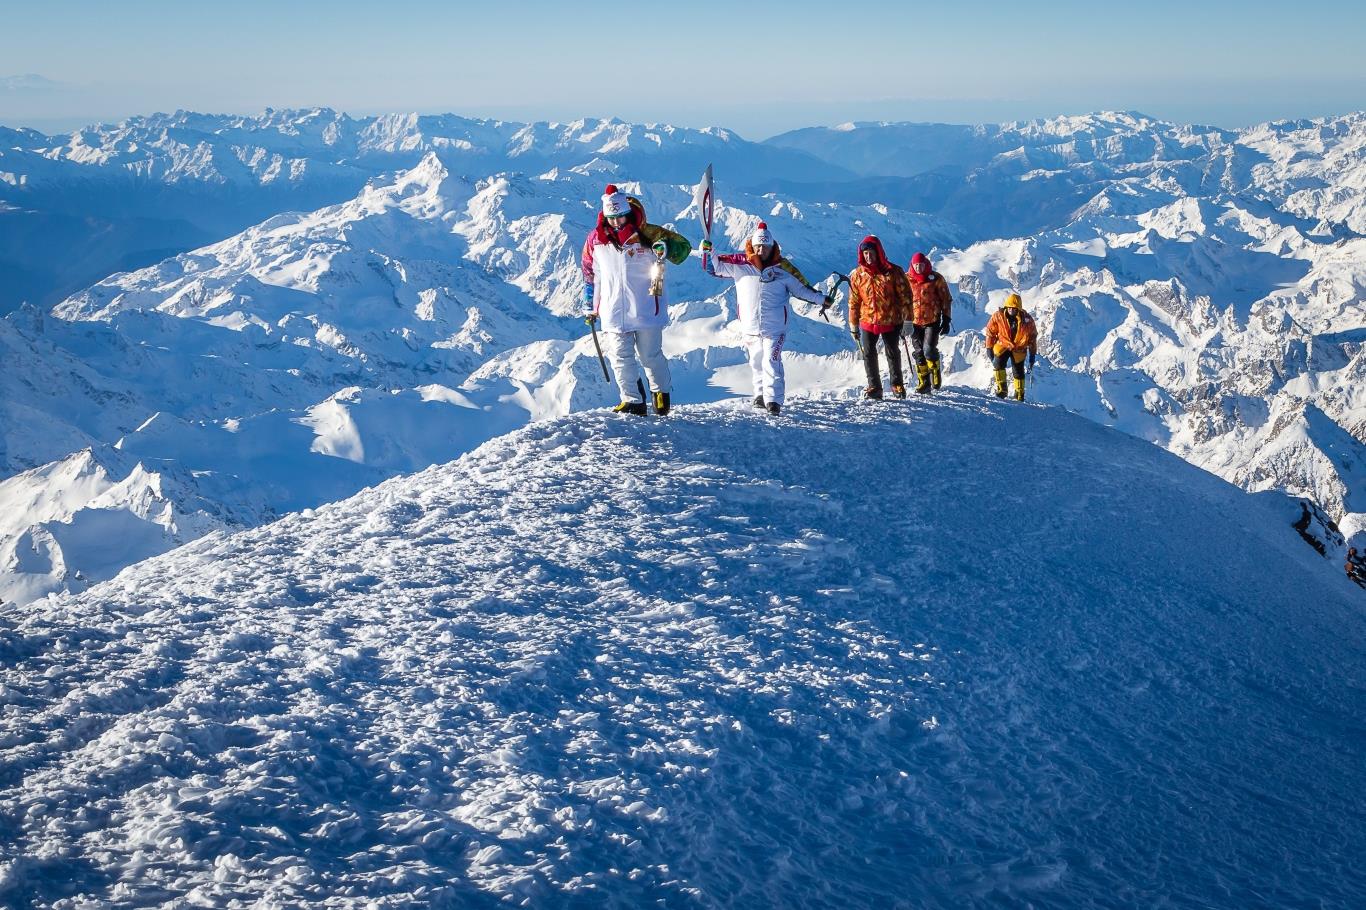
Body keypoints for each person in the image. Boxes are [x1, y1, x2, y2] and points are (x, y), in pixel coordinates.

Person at [581, 184, 691, 415]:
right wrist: (590, 306)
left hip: (646, 307)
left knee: (650, 356)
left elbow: (682, 249)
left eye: (621, 217)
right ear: (605, 217)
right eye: (612, 218)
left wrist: (665, 247)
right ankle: (632, 400)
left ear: (627, 214)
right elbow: (589, 273)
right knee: (620, 357)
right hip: (612, 309)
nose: (617, 223)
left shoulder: (646, 234)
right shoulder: (595, 240)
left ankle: (660, 393)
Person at [701, 222, 831, 415]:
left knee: (772, 360)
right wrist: (707, 251)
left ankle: (774, 401)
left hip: (775, 327)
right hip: (750, 327)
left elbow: (802, 290)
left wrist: (822, 299)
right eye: (758, 246)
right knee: (756, 361)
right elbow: (714, 268)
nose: (761, 250)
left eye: (766, 246)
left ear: (772, 247)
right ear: (752, 246)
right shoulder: (740, 266)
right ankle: (760, 395)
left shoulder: (782, 270)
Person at [848, 235, 913, 399]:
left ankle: (897, 385)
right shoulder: (858, 275)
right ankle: (874, 387)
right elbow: (854, 301)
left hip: (891, 319)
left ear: (879, 252)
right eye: (865, 254)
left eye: (871, 253)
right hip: (867, 320)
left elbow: (906, 297)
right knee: (868, 354)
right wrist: (853, 324)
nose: (868, 257)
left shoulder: (893, 272)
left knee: (892, 352)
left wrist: (908, 320)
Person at [906, 252, 954, 394]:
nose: (919, 268)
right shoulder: (907, 279)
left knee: (928, 349)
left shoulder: (936, 278)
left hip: (932, 320)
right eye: (916, 265)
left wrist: (946, 319)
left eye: (921, 265)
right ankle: (924, 383)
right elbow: (901, 300)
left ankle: (935, 370)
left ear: (926, 264)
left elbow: (946, 298)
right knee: (919, 352)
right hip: (913, 322)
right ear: (912, 266)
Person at [984, 292, 1039, 401]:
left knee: (1018, 372)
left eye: (1014, 309)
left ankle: (1019, 394)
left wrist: (1032, 355)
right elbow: (990, 332)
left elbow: (1032, 338)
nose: (1011, 310)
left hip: (1019, 348)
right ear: (1006, 307)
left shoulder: (1027, 320)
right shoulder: (998, 316)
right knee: (998, 365)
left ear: (1018, 309)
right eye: (1010, 308)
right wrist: (989, 347)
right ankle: (1001, 389)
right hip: (1003, 345)